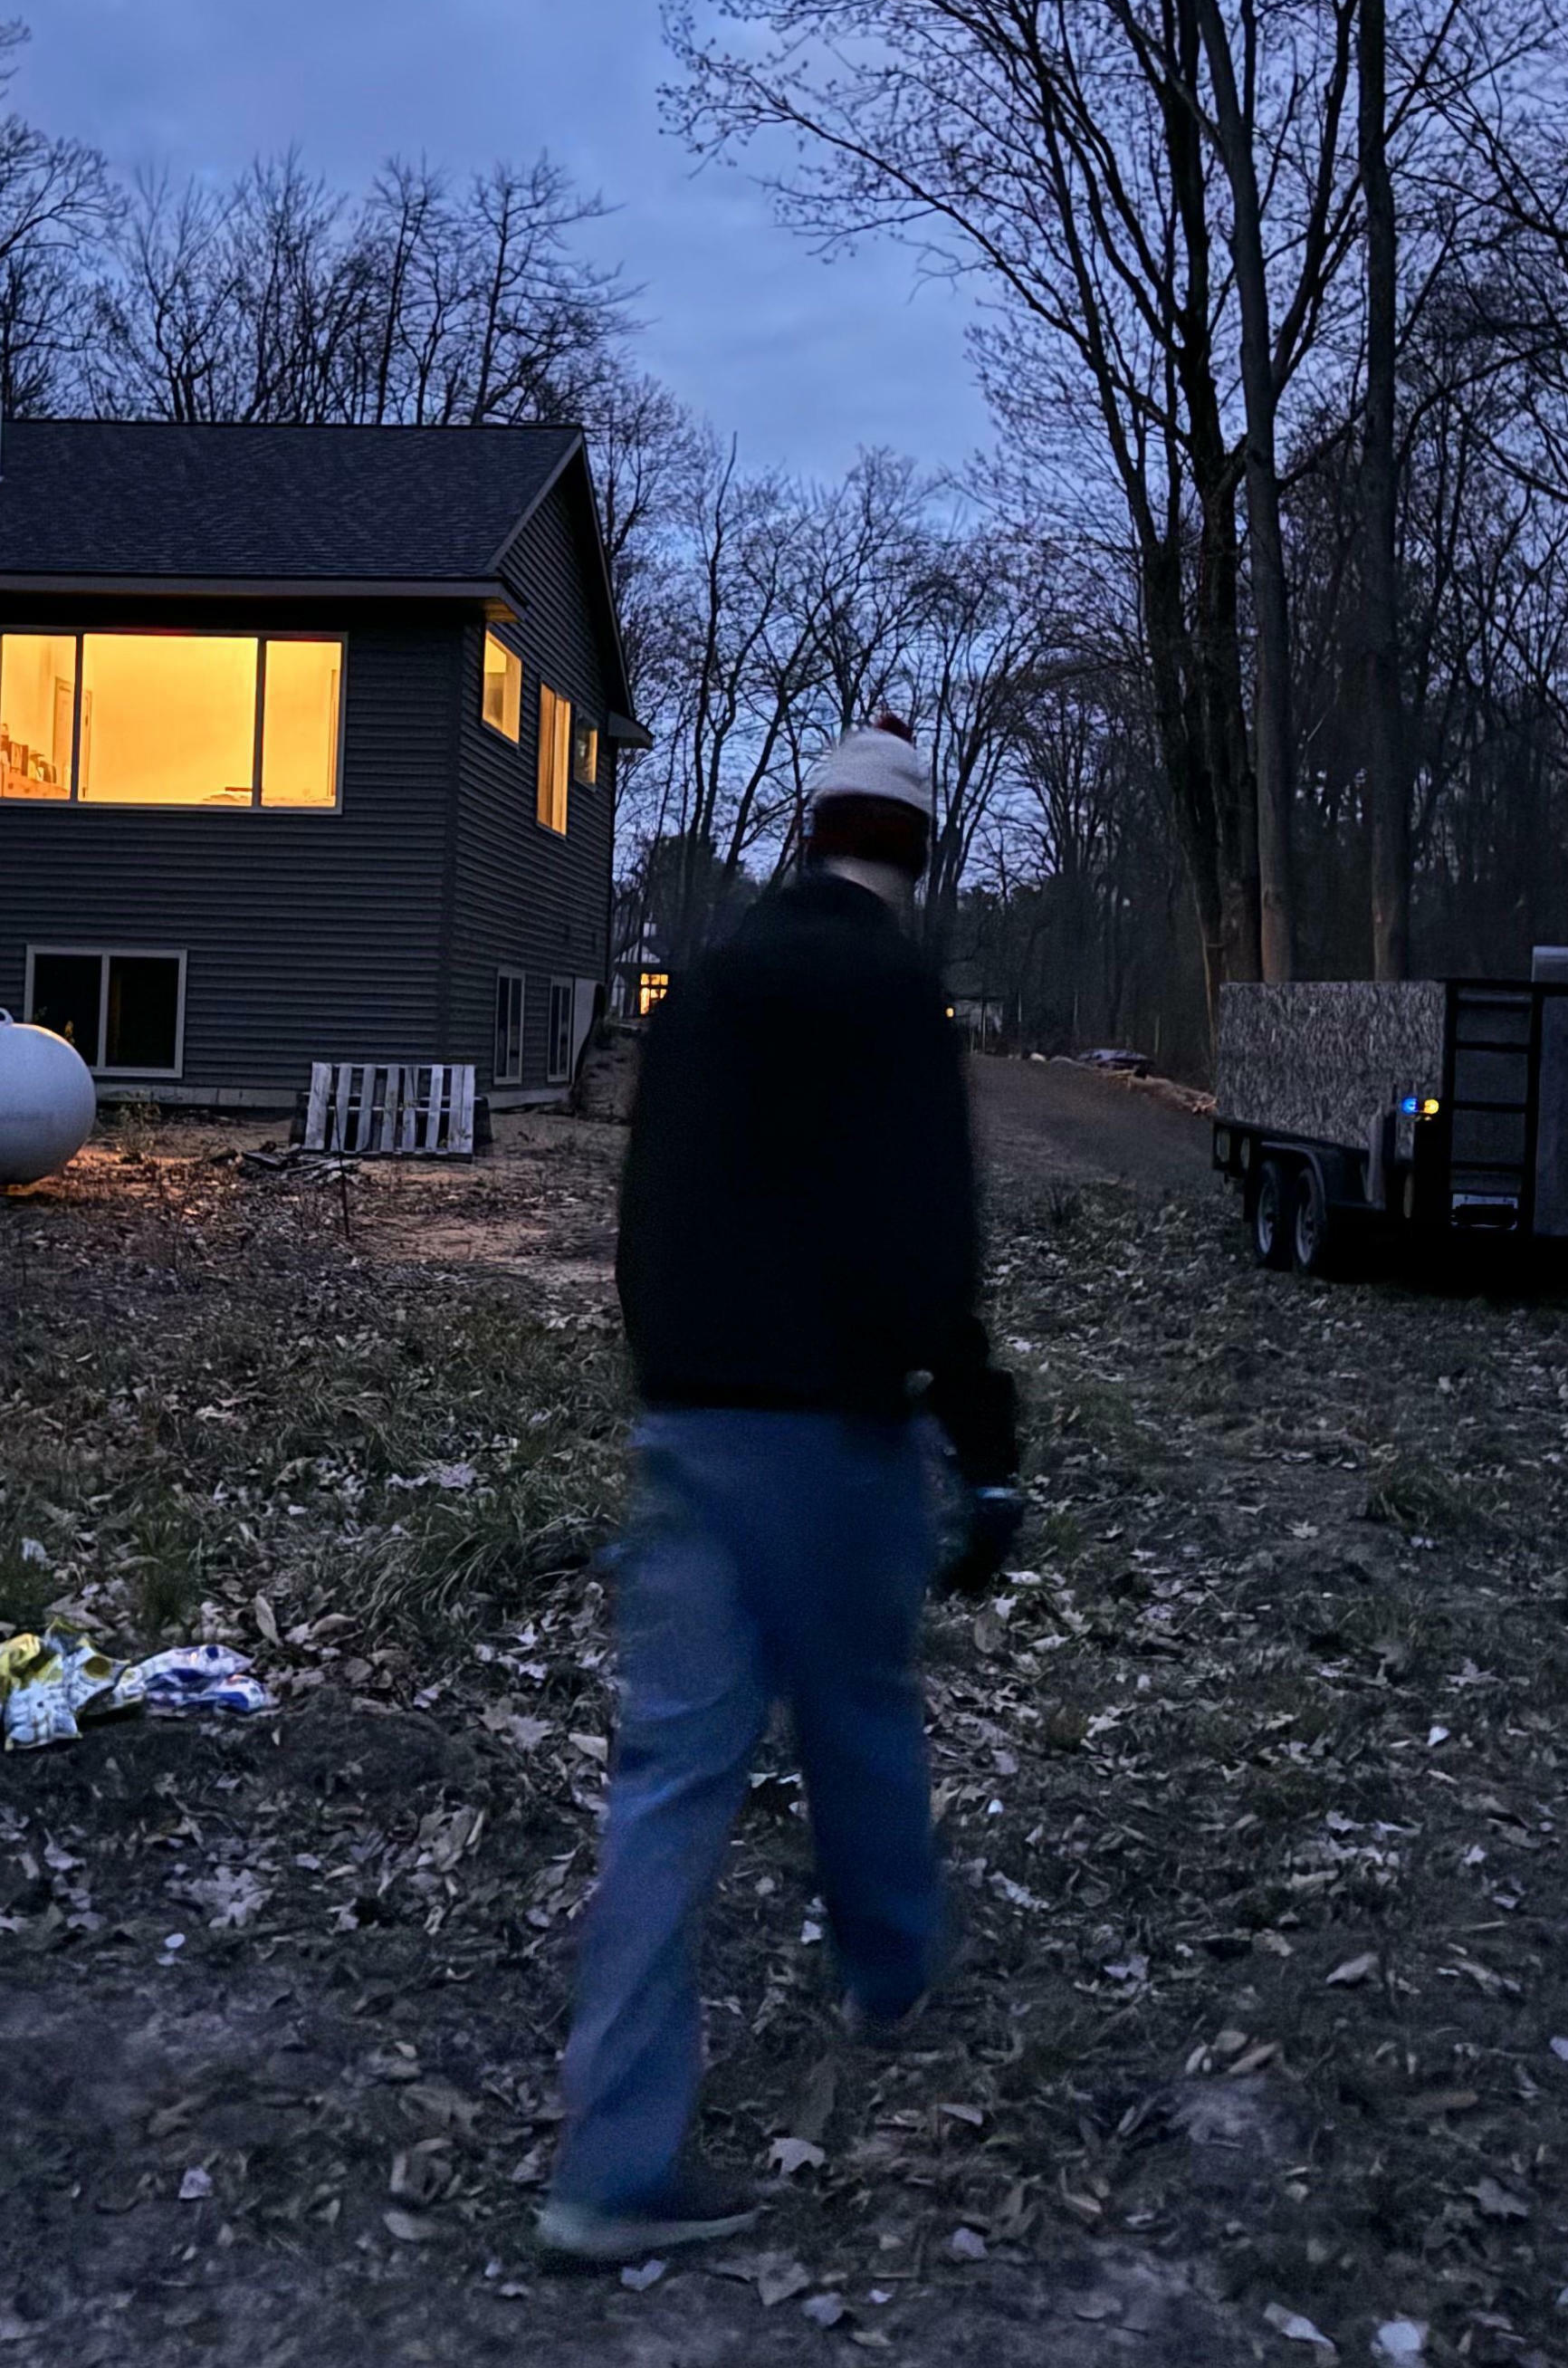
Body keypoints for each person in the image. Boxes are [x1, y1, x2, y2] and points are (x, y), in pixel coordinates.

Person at [537, 715, 1024, 2266]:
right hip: (834, 1434)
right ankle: (889, 1968)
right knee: (859, 1710)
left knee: (669, 1782)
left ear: (810, 831)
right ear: (919, 851)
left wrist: (671, 1374)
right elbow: (932, 1252)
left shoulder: (710, 988)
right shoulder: (895, 1004)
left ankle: (607, 2170)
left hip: (690, 1422)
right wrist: (983, 1448)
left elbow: (644, 1212)